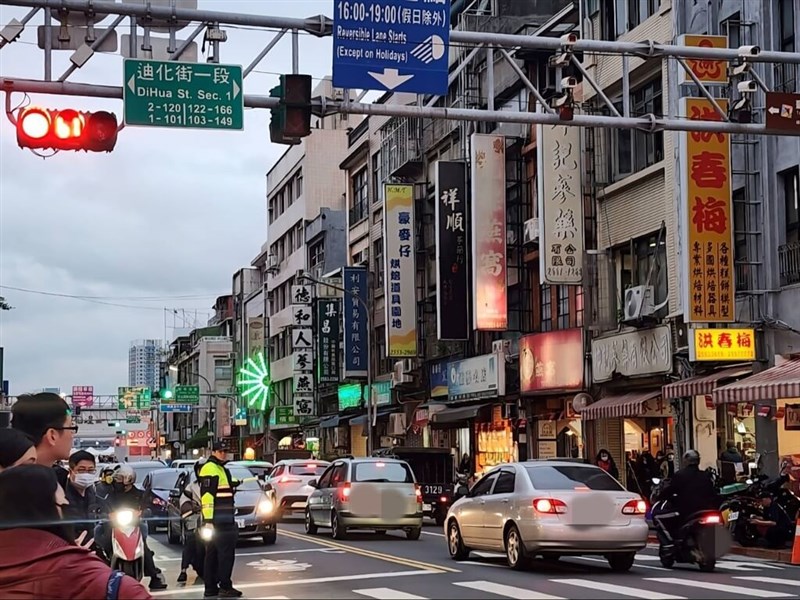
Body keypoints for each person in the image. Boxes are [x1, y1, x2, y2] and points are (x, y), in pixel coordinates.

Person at [0, 464, 152, 599]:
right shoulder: (77, 569)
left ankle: (154, 572)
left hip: (130, 525)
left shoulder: (137, 493)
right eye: (62, 502)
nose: (121, 481)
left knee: (143, 540)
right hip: (109, 526)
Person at [95, 465, 167, 591]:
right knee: (99, 535)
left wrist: (146, 511)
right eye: (116, 479)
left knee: (144, 545)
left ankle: (154, 576)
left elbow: (146, 506)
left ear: (128, 480)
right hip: (113, 524)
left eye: (119, 479)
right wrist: (101, 513)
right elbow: (100, 505)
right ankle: (104, 565)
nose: (116, 482)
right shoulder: (109, 493)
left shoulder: (139, 494)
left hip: (134, 524)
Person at [199, 442, 242, 598]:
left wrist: (234, 483)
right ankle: (224, 586)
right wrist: (209, 520)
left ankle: (211, 588)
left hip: (221, 519)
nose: (224, 454)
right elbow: (207, 497)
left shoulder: (220, 468)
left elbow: (223, 487)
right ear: (214, 452)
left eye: (225, 451)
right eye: (221, 451)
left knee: (213, 555)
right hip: (219, 520)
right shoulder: (210, 468)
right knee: (225, 555)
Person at [11, 392, 76, 489]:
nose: (73, 435)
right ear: (52, 435)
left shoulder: (13, 476)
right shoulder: (29, 488)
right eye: (71, 427)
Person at [660, 449, 719, 537]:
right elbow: (713, 492)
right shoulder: (706, 476)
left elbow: (670, 490)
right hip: (705, 510)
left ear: (686, 460)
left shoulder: (680, 475)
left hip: (687, 511)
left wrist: (661, 497)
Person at [63, 450, 100, 543]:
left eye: (91, 470)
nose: (86, 474)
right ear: (71, 471)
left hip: (93, 545)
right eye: (81, 470)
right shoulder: (61, 496)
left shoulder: (94, 494)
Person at [178, 460, 205, 583]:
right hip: (196, 518)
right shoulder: (191, 487)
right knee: (190, 539)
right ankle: (183, 570)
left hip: (213, 519)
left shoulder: (217, 484)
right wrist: (191, 508)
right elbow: (183, 501)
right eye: (201, 469)